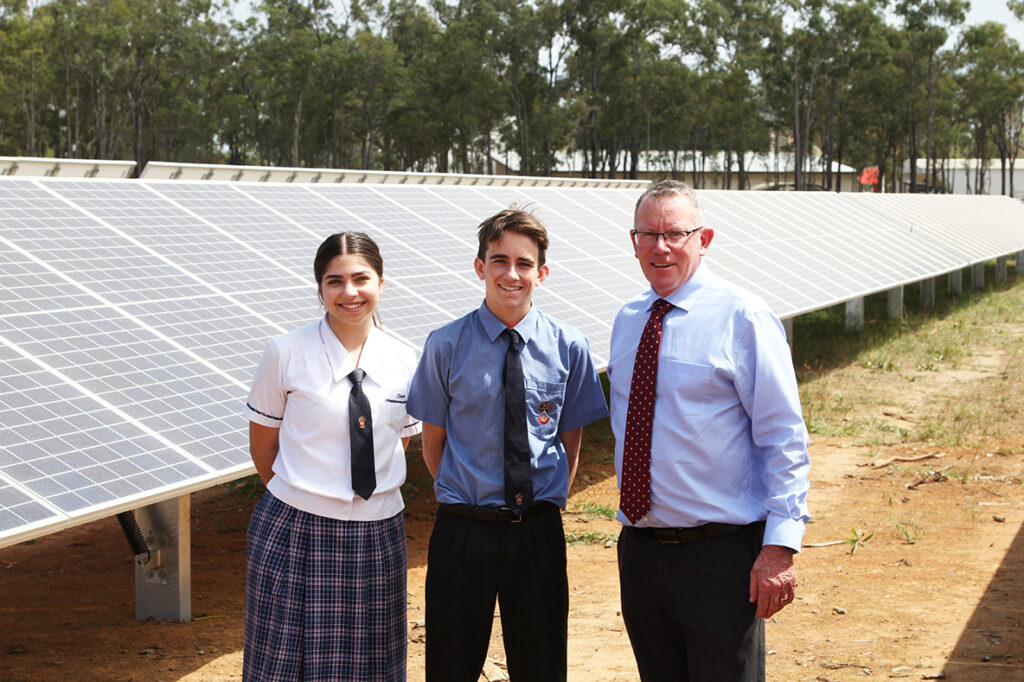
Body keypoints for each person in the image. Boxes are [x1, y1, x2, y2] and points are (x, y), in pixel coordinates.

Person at [608, 180, 811, 681]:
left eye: (674, 233)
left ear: (705, 238)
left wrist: (780, 545)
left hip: (719, 559)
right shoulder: (628, 319)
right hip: (641, 555)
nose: (661, 247)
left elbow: (782, 435)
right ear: (632, 241)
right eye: (648, 234)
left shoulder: (743, 316)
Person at [407, 209, 609, 682]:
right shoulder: (445, 345)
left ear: (542, 272)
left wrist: (537, 504)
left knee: (541, 664)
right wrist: (469, 497)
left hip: (536, 532)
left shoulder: (569, 346)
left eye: (524, 263)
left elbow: (569, 440)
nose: (511, 274)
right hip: (463, 531)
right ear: (480, 267)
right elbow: (432, 444)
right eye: (499, 261)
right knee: (451, 664)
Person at [243, 232, 421, 681]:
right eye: (334, 281)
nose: (349, 292)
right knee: (285, 662)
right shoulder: (285, 352)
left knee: (372, 663)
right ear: (320, 288)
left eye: (361, 278)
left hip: (378, 533)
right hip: (295, 529)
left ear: (381, 282)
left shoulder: (406, 359)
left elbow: (396, 443)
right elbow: (265, 448)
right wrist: (313, 497)